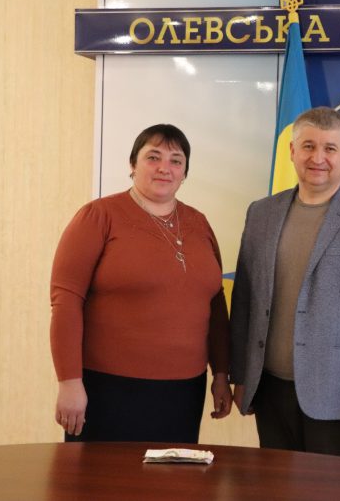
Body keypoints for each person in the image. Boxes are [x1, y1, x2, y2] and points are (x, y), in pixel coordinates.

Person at [229, 107, 340, 459]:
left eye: (330, 149)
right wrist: (241, 374)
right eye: (309, 146)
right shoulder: (260, 213)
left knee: (332, 487)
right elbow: (245, 301)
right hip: (269, 391)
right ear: (292, 151)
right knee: (274, 486)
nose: (318, 158)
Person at [50, 124, 232, 443]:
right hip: (108, 388)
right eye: (153, 157)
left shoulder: (199, 223)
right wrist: (69, 382)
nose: (165, 167)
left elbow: (215, 304)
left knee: (173, 475)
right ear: (133, 164)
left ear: (185, 172)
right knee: (103, 475)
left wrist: (220, 372)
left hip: (184, 391)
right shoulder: (98, 217)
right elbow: (66, 301)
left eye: (176, 160)